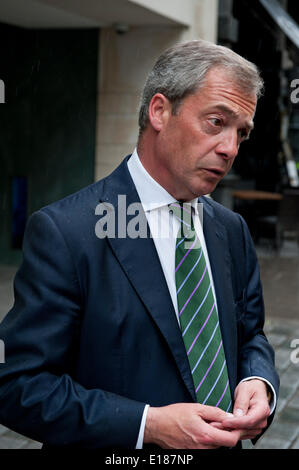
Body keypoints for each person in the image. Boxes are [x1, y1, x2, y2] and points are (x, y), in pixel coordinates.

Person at [0, 39, 279, 449]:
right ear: (160, 111)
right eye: (216, 122)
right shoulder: (67, 232)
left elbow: (250, 334)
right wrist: (146, 425)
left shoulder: (231, 229)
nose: (230, 148)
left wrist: (259, 380)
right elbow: (16, 385)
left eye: (242, 132)